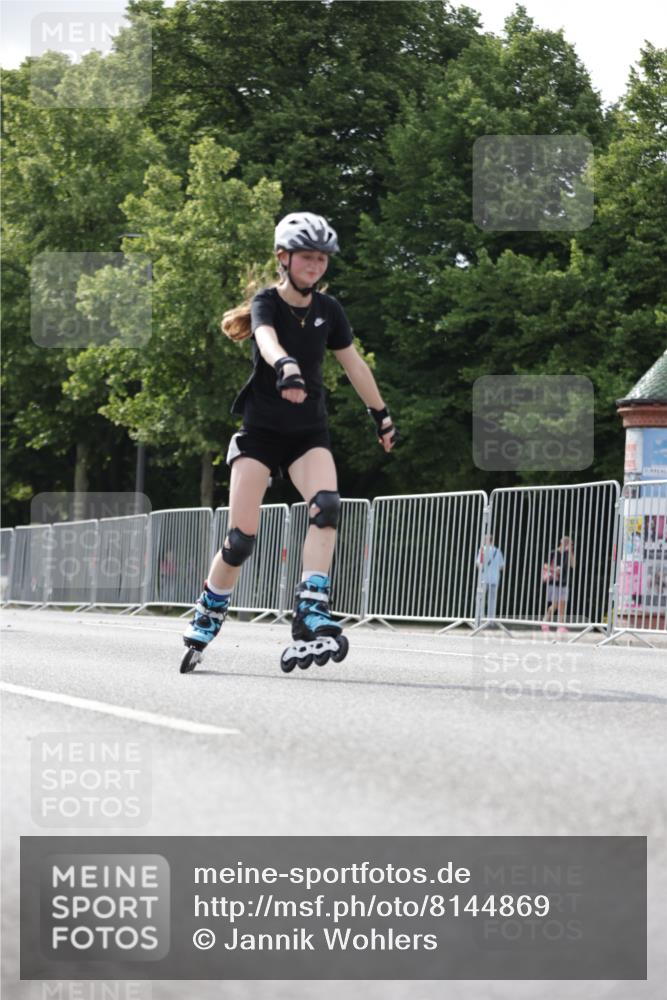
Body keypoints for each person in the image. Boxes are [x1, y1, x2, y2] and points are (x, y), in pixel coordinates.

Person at [180, 212, 397, 673]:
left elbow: (355, 365)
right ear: (284, 258)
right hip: (260, 435)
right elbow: (266, 339)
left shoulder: (329, 311)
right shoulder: (266, 302)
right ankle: (210, 608)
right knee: (241, 541)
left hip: (306, 434)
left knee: (327, 505)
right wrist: (285, 366)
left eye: (322, 259)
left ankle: (310, 608)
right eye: (307, 258)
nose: (315, 266)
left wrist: (381, 414)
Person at [542, 535, 576, 634]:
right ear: (564, 543)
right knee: (555, 604)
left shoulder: (567, 554)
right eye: (570, 544)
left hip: (564, 582)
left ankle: (560, 626)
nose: (571, 546)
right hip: (554, 582)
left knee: (563, 604)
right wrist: (554, 570)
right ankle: (545, 621)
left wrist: (570, 553)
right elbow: (545, 565)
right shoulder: (553, 552)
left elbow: (573, 565)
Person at [476, 534, 504, 622]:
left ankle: (480, 619)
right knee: (492, 601)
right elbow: (502, 566)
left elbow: (478, 564)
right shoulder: (498, 551)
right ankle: (490, 621)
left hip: (484, 579)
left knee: (481, 599)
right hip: (495, 579)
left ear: (487, 540)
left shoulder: (482, 550)